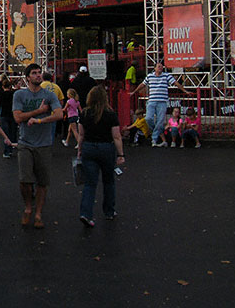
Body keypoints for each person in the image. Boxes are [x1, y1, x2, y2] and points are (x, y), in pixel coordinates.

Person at [12, 63, 62, 229]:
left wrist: (40, 120)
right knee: (24, 180)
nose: (38, 75)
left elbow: (59, 114)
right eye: (34, 73)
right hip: (25, 142)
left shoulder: (49, 95)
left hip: (44, 143)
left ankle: (38, 213)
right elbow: (18, 118)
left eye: (40, 73)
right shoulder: (19, 95)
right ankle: (28, 206)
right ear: (27, 77)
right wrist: (38, 112)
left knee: (42, 181)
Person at [77, 85, 125, 227]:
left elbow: (81, 135)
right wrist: (120, 154)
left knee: (90, 183)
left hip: (89, 147)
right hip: (106, 148)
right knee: (108, 181)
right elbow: (116, 136)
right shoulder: (110, 114)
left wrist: (79, 149)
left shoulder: (84, 113)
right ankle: (109, 211)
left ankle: (86, 213)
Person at [130, 63, 191, 147]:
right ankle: (157, 132)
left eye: (161, 67)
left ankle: (154, 139)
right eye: (159, 67)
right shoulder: (150, 76)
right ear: (154, 68)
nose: (160, 68)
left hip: (162, 102)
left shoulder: (166, 76)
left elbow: (175, 83)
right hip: (152, 101)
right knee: (148, 118)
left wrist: (184, 90)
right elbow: (142, 84)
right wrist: (134, 91)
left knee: (160, 121)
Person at [0, 78, 17, 158]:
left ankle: (7, 151)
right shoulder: (13, 94)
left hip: (4, 115)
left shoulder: (1, 94)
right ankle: (12, 148)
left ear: (3, 86)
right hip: (12, 114)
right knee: (12, 132)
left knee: (5, 134)